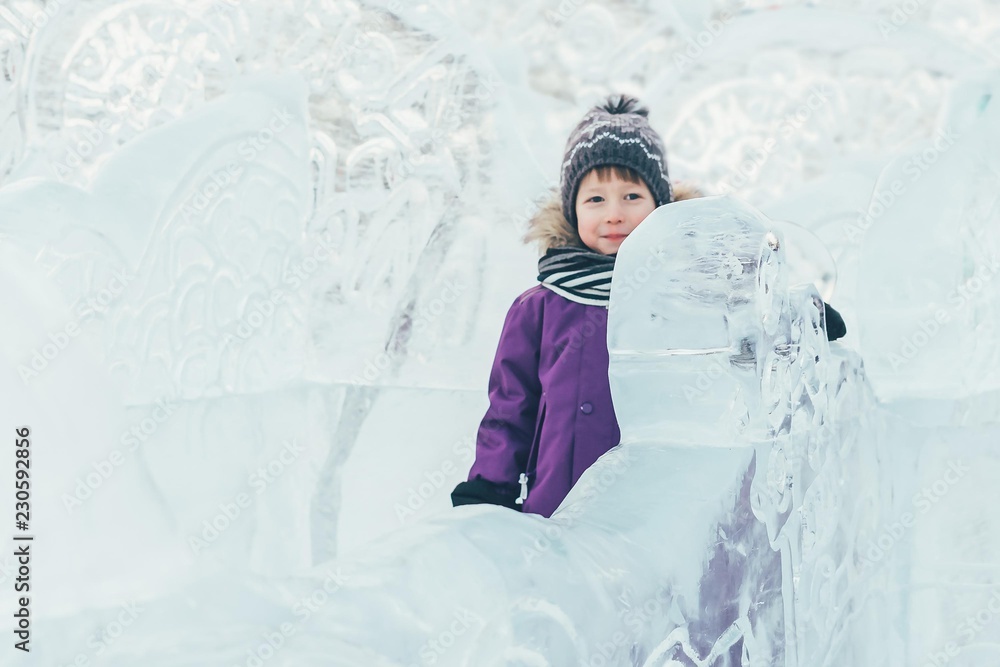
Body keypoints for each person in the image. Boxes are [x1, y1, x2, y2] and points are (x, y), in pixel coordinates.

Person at [451, 94, 845, 518]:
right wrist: (491, 487)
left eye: (632, 196)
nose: (615, 214)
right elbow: (510, 409)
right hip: (559, 507)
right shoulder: (540, 308)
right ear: (572, 209)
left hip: (660, 511)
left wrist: (799, 318)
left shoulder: (689, 286)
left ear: (659, 204)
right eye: (595, 200)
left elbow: (750, 319)